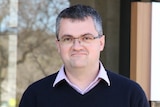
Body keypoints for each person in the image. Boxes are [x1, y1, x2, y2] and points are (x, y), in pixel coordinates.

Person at [19, 4, 149, 107]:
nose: (77, 46)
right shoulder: (35, 96)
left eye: (86, 38)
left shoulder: (130, 95)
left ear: (101, 42)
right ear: (58, 45)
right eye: (68, 39)